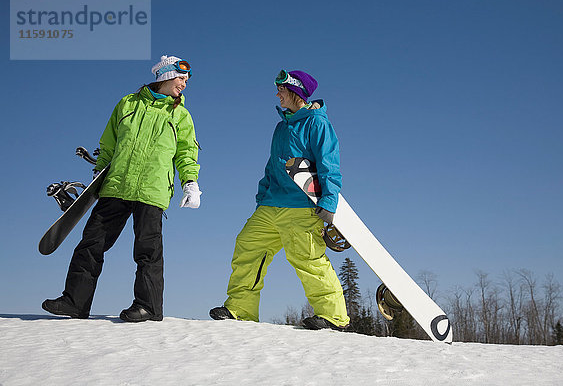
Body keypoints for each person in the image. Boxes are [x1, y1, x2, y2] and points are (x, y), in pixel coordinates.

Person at [42, 55, 202, 322]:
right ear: (164, 75)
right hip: (116, 185)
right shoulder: (127, 103)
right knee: (91, 243)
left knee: (147, 251)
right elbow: (109, 142)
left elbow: (187, 153)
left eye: (187, 79)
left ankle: (147, 307)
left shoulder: (181, 115)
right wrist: (99, 172)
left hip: (153, 190)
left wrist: (191, 183)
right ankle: (75, 302)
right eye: (181, 77)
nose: (184, 83)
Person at [210, 69, 350, 331]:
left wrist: (329, 202)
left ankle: (333, 316)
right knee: (247, 246)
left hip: (301, 206)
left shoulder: (317, 123)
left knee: (307, 259)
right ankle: (240, 308)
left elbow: (329, 164)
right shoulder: (281, 127)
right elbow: (272, 166)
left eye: (282, 91)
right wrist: (263, 194)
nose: (277, 95)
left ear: (296, 92)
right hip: (270, 204)